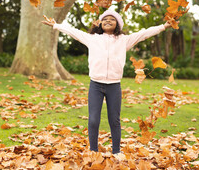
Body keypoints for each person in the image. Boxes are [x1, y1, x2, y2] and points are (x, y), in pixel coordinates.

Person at [42, 9, 172, 155]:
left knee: (114, 121)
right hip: (96, 85)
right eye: (105, 19)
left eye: (112, 19)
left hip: (114, 86)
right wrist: (56, 25)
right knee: (93, 120)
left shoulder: (124, 40)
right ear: (100, 23)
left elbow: (144, 33)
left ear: (117, 24)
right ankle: (93, 151)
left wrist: (164, 26)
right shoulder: (92, 38)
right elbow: (74, 32)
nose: (108, 21)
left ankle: (116, 152)